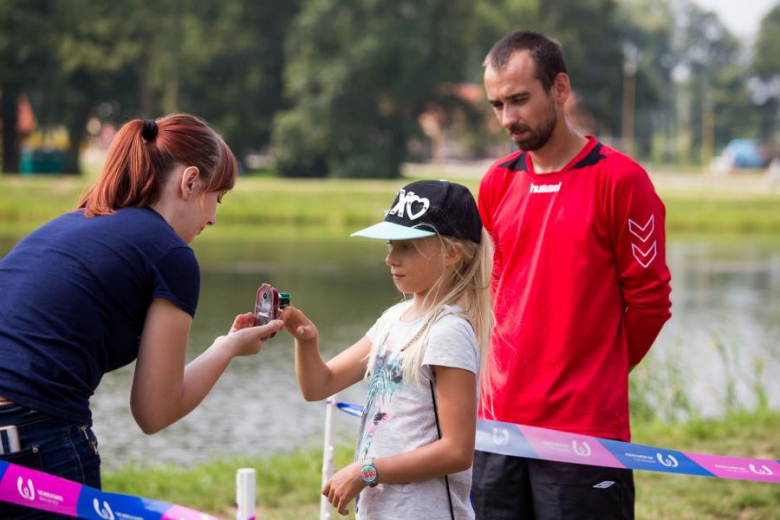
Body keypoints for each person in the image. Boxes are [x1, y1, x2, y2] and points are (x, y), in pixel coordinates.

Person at [0, 114, 283, 518]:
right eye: (217, 198)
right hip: (35, 437)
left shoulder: (69, 223)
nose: (213, 218)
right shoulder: (171, 254)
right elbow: (154, 412)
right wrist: (226, 349)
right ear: (189, 182)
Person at [472, 31, 672, 520]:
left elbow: (649, 304)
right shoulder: (498, 181)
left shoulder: (621, 181)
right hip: (496, 429)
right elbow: (493, 289)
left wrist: (596, 376)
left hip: (582, 435)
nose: (508, 119)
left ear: (560, 89)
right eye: (498, 104)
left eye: (519, 100)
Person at [281, 180, 492, 519]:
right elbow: (318, 386)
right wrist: (306, 340)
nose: (390, 258)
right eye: (392, 245)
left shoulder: (449, 331)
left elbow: (457, 451)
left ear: (451, 253)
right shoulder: (392, 320)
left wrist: (367, 470)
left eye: (407, 247)